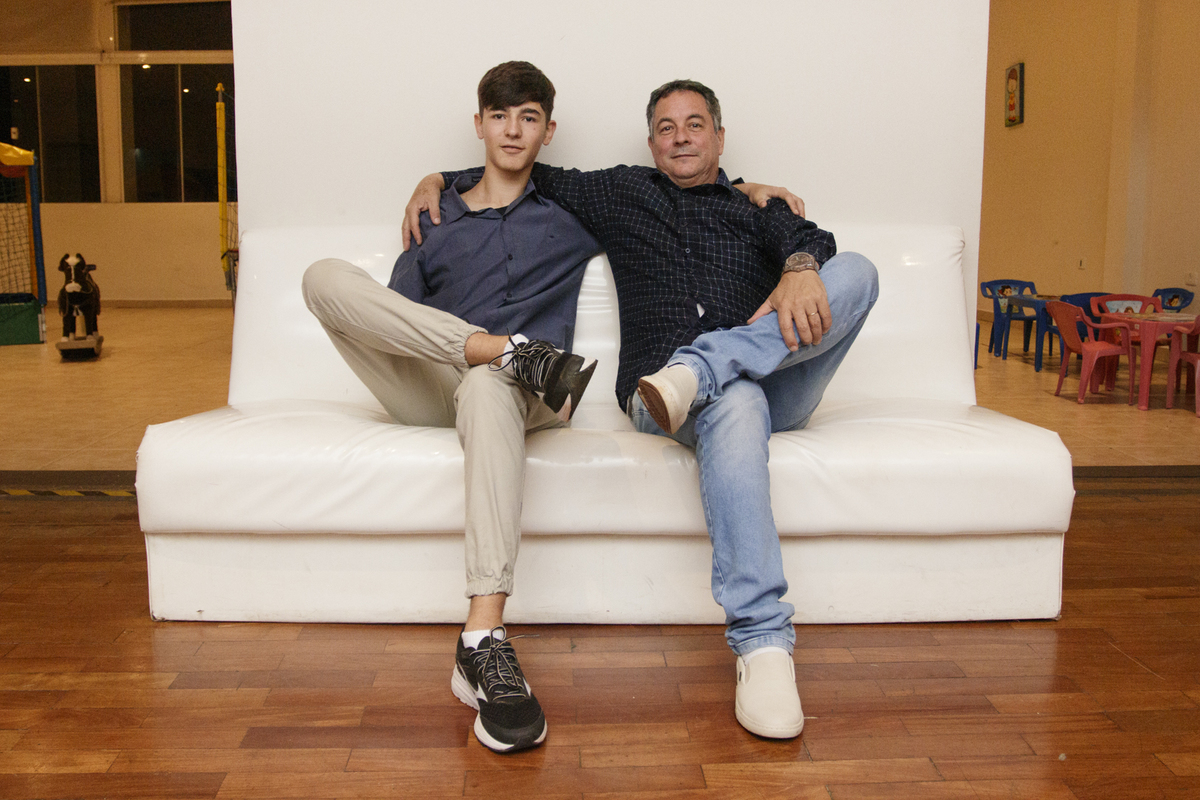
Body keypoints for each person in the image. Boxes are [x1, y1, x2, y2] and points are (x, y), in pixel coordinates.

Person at [403, 79, 879, 740]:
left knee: (858, 272)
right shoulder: (621, 192)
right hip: (663, 394)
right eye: (665, 127)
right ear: (651, 142)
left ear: (719, 136)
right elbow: (518, 163)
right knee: (735, 400)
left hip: (777, 382)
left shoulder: (760, 210)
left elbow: (813, 239)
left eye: (694, 124)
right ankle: (764, 646)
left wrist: (799, 265)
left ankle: (706, 365)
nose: (680, 138)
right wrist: (435, 178)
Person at [301, 61, 603, 754]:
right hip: (436, 381)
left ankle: (482, 638)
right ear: (479, 125)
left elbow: (670, 192)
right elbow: (392, 321)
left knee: (494, 384)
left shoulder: (572, 214)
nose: (513, 130)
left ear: (548, 130)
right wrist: (482, 346)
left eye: (528, 117)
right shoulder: (434, 219)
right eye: (500, 116)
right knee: (322, 278)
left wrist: (748, 189)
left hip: (527, 395)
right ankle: (505, 350)